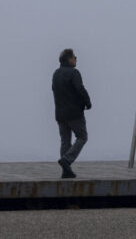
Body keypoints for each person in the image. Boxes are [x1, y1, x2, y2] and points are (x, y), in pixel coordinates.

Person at [52, 48, 91, 179]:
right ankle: (67, 160)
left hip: (60, 114)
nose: (76, 59)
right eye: (75, 57)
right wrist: (87, 102)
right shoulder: (74, 73)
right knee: (82, 137)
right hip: (74, 113)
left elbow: (55, 92)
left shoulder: (56, 74)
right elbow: (80, 88)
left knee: (65, 141)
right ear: (69, 59)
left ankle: (66, 170)